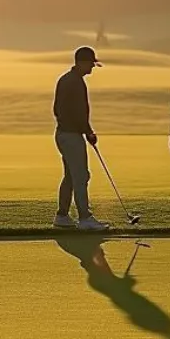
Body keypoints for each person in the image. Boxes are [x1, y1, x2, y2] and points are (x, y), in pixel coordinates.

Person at [52, 46, 110, 231]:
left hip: (63, 133)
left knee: (70, 175)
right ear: (81, 62)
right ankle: (85, 218)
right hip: (71, 135)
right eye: (91, 64)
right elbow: (79, 113)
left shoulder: (67, 79)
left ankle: (62, 216)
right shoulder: (75, 82)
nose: (92, 68)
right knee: (81, 176)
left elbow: (58, 110)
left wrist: (84, 130)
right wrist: (88, 132)